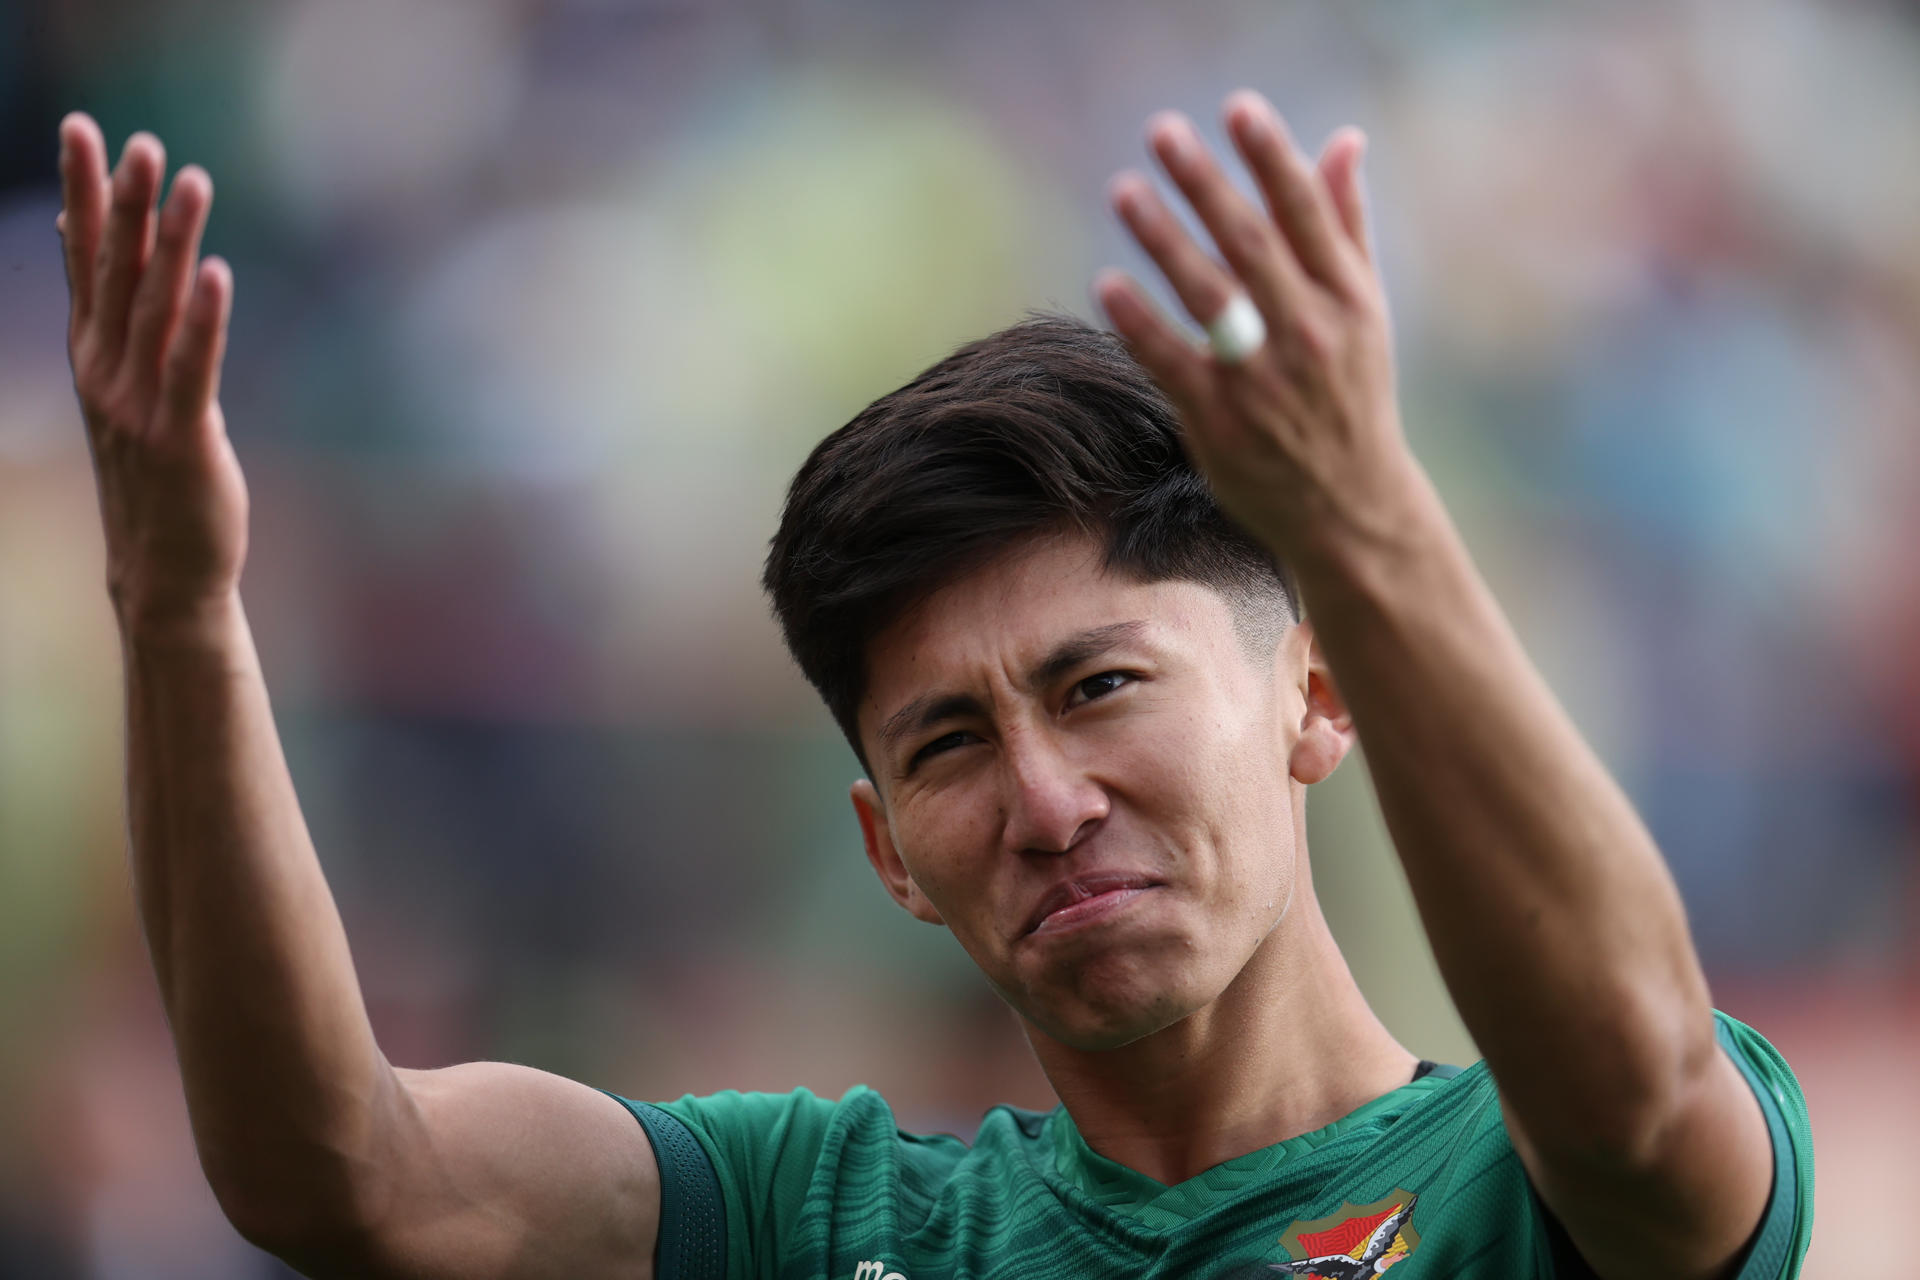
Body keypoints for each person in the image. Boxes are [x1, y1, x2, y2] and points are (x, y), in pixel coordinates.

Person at [53, 85, 1810, 1280]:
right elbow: (340, 1174)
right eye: (950, 743)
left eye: (1103, 684)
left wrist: (1364, 513)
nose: (1046, 802)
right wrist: (181, 605)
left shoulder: (1516, 1180)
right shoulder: (813, 1215)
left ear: (1317, 703)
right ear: (888, 850)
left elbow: (1645, 1086)